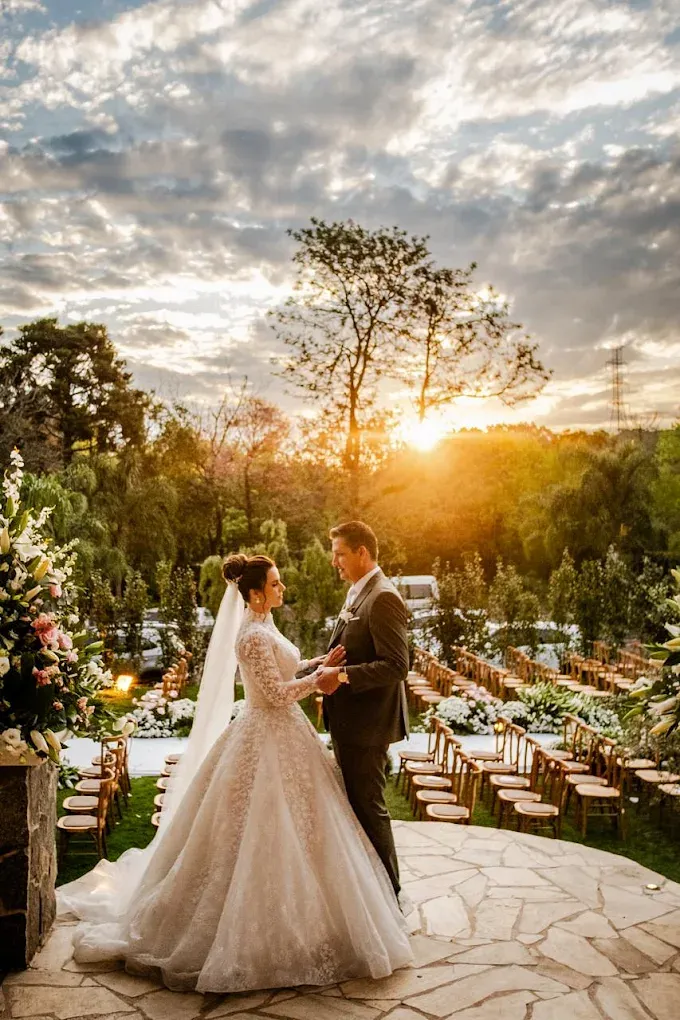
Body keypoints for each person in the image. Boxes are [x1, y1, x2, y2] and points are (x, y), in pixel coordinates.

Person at [58, 553, 413, 994]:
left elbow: (281, 669)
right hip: (265, 734)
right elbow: (273, 695)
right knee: (257, 832)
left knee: (311, 828)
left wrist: (317, 664)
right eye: (277, 584)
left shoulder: (264, 623)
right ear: (256, 593)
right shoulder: (250, 636)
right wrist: (319, 682)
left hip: (285, 736)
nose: (283, 589)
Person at [318, 521, 410, 899]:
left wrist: (340, 676)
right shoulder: (360, 593)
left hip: (367, 726)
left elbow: (396, 665)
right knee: (358, 807)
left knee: (370, 809)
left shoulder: (383, 597)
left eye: (340, 553)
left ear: (362, 553)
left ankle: (390, 894)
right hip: (350, 722)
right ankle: (369, 893)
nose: (334, 562)